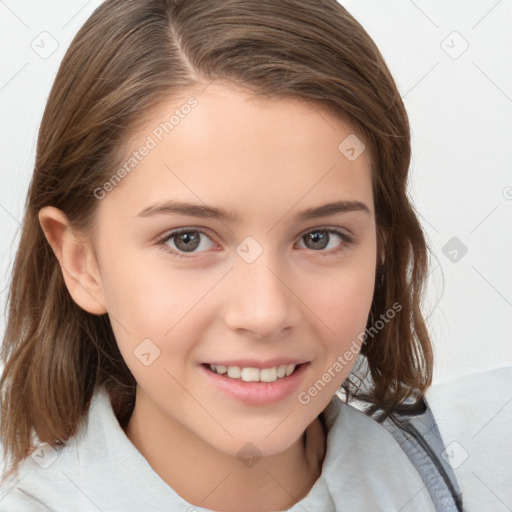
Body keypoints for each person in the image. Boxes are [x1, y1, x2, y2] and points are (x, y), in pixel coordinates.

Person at [0, 0, 467, 510]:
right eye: (188, 240)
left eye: (320, 237)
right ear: (80, 262)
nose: (265, 313)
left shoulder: (465, 468)